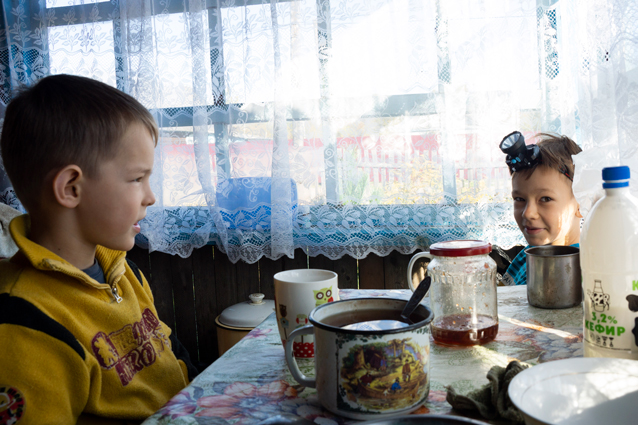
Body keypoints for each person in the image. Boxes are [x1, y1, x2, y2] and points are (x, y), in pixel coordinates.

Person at [0, 74, 197, 424]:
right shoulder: (23, 322)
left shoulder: (125, 274)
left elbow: (172, 357)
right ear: (71, 188)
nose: (150, 196)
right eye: (137, 179)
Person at [501, 133, 582, 286]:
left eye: (545, 199)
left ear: (582, 204)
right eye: (519, 199)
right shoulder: (526, 256)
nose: (528, 213)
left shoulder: (584, 270)